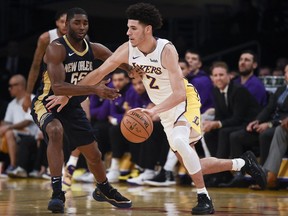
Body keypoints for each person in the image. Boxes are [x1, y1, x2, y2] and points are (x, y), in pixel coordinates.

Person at [47, 3, 267, 215]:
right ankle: (242, 162)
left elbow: (179, 93)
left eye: (133, 28)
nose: (127, 32)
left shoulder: (166, 50)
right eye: (127, 27)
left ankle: (204, 198)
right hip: (164, 109)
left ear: (147, 29)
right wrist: (67, 94)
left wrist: (152, 111)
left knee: (181, 143)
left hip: (184, 101)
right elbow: (98, 73)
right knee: (194, 164)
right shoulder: (128, 49)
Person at [31, 8, 132, 213]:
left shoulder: (93, 48)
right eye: (77, 23)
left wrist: (134, 70)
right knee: (55, 131)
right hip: (47, 102)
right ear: (66, 25)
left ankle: (103, 188)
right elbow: (58, 87)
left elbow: (116, 61)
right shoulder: (56, 48)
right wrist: (95, 89)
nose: (82, 27)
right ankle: (57, 192)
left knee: (93, 154)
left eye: (85, 23)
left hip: (72, 106)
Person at [22, 10, 67, 112]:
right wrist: (27, 94)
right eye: (62, 21)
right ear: (56, 23)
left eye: (67, 22)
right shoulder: (46, 38)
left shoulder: (78, 38)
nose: (65, 25)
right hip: (50, 86)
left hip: (71, 85)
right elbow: (35, 65)